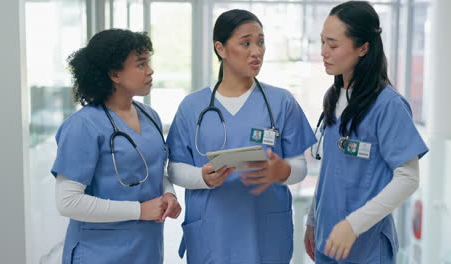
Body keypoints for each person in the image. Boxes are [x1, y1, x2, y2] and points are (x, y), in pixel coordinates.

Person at [166, 9, 316, 264]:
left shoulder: (281, 102)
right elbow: (175, 168)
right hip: (212, 234)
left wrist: (282, 171)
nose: (256, 51)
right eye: (246, 43)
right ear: (221, 49)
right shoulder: (192, 107)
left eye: (260, 42)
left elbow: (300, 167)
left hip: (266, 233)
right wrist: (201, 177)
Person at [304, 1, 429, 263]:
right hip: (329, 242)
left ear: (363, 48)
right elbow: (330, 169)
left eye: (333, 45)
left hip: (365, 247)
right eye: (322, 42)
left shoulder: (388, 105)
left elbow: (408, 178)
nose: (324, 52)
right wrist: (313, 220)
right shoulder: (334, 96)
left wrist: (353, 225)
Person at [51, 28, 181, 264]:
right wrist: (140, 210)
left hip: (147, 249)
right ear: (114, 74)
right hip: (99, 253)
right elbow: (68, 202)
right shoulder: (83, 126)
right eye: (141, 64)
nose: (150, 70)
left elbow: (153, 171)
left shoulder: (149, 116)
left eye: (148, 62)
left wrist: (169, 194)